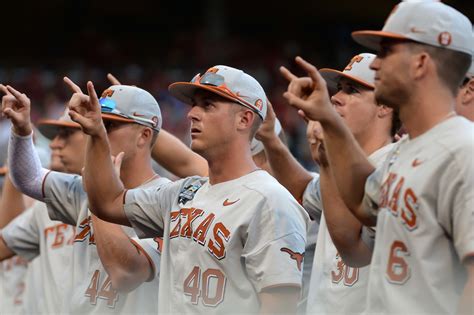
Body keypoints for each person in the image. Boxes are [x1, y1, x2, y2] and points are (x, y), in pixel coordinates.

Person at [67, 65, 309, 314]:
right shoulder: (183, 191)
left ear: (244, 119)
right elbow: (106, 202)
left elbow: (280, 307)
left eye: (207, 105)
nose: (192, 113)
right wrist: (96, 132)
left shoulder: (270, 200)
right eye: (193, 105)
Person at [282, 1, 473, 314]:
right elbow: (354, 237)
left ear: (421, 63)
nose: (375, 64)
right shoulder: (404, 151)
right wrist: (328, 120)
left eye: (387, 51)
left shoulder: (463, 152)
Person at [2, 81, 166, 314]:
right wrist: (21, 131)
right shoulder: (82, 188)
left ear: (144, 135)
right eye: (94, 125)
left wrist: (97, 191)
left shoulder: (167, 198)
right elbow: (28, 179)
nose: (96, 132)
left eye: (107, 126)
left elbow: (124, 275)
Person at [261, 53, 398, 314]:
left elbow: (353, 247)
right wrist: (270, 138)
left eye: (352, 90)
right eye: (339, 89)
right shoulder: (341, 166)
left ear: (385, 106)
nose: (336, 97)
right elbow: (302, 190)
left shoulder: (397, 164)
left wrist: (327, 154)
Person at [0, 110, 78, 314]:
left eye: (67, 135)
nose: (55, 144)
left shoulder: (121, 200)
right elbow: (5, 235)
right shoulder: (42, 210)